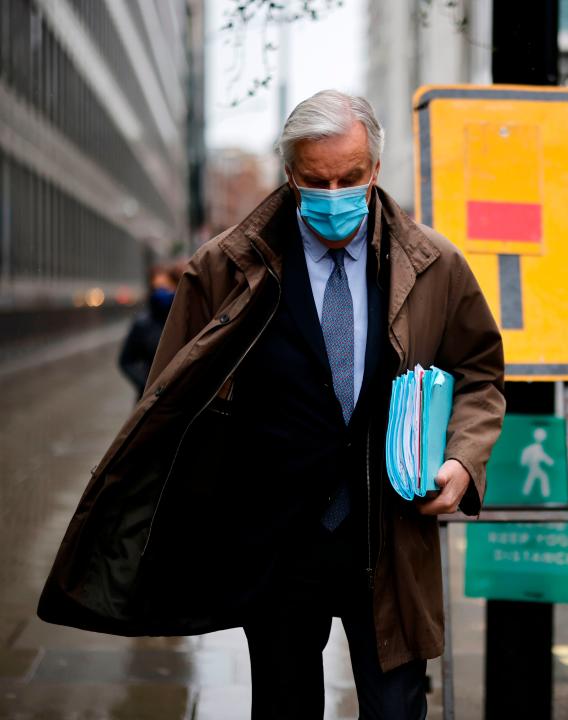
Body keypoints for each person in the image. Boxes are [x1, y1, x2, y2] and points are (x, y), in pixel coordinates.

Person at [37, 90, 506, 719]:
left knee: (397, 709)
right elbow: (173, 400)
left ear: (376, 170)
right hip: (277, 542)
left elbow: (479, 372)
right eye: (317, 180)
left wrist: (463, 460)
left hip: (390, 536)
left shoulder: (435, 265)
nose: (335, 192)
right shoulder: (222, 268)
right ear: (290, 173)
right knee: (284, 707)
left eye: (351, 177)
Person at [117, 264, 181, 398]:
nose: (160, 292)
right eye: (156, 288)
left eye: (165, 287)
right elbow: (126, 361)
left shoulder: (184, 320)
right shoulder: (142, 323)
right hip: (149, 398)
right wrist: (146, 385)